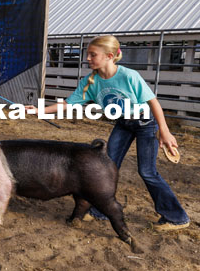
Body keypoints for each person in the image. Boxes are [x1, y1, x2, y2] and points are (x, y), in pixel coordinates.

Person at [39, 35, 190, 231]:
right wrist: (38, 110)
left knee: (147, 171)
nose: (88, 59)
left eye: (93, 55)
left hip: (145, 124)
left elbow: (153, 102)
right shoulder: (90, 81)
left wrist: (165, 131)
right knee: (106, 166)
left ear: (109, 56)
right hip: (123, 124)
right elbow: (68, 103)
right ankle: (101, 210)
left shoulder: (129, 76)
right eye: (88, 54)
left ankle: (176, 217)